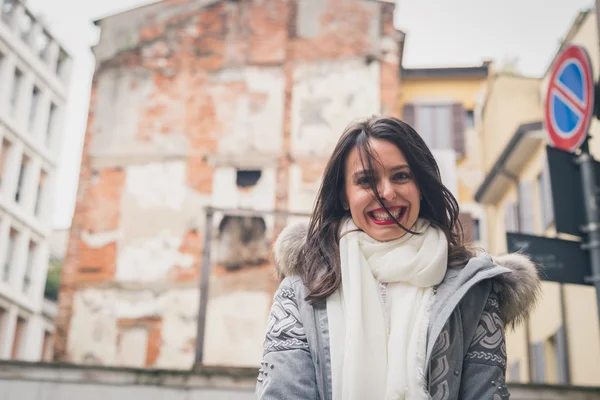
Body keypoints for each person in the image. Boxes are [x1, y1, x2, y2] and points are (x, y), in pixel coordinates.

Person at [256, 115, 540, 400]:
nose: (387, 193)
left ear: (420, 187)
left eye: (401, 176)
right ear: (344, 196)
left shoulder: (473, 292)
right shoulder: (298, 294)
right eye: (366, 180)